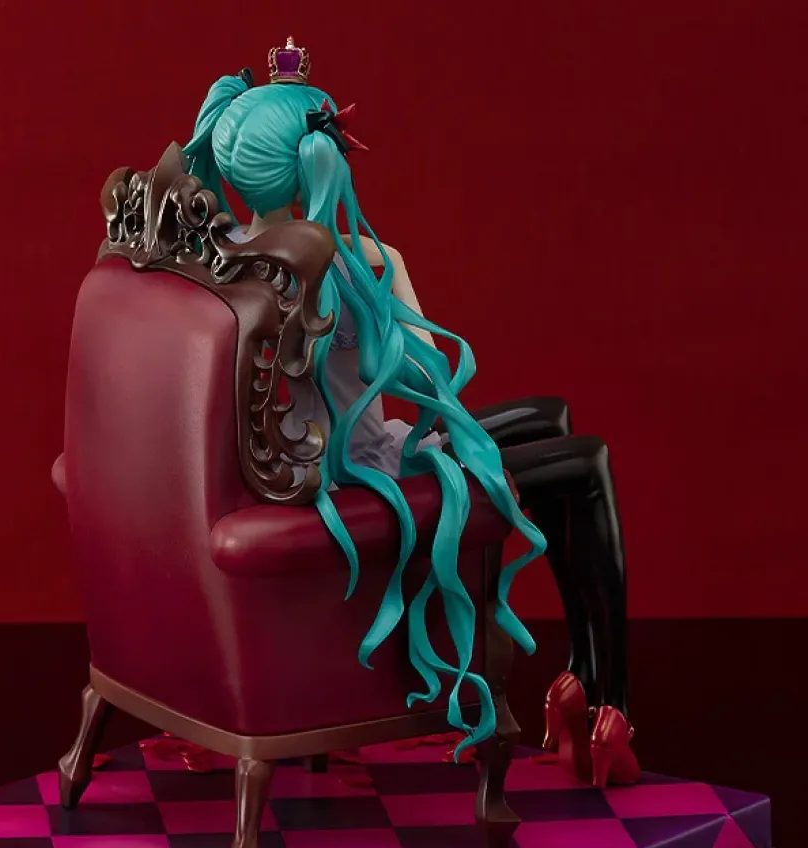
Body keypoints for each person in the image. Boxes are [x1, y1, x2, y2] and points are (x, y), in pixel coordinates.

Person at [181, 40, 639, 783]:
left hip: (293, 465)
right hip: (363, 474)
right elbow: (433, 383)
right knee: (584, 464)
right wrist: (388, 273)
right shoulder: (357, 263)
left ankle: (581, 686)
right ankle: (606, 696)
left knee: (549, 417)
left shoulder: (222, 255)